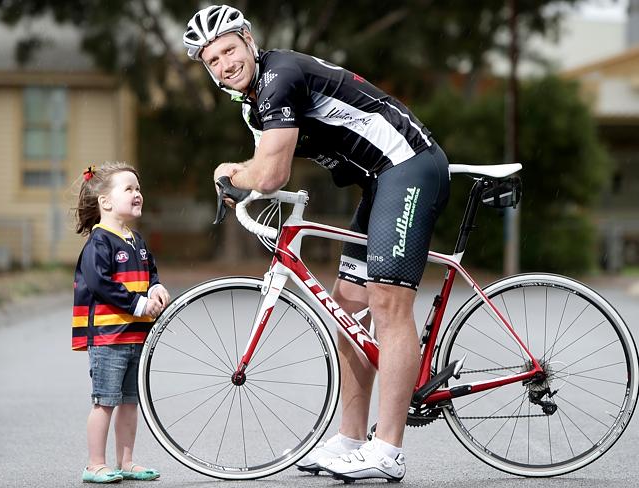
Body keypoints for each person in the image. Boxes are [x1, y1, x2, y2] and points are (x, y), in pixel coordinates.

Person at [183, 5, 450, 483]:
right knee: (350, 310)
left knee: (387, 306)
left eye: (228, 50)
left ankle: (387, 449)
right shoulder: (254, 101)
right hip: (380, 181)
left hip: (408, 166)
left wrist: (228, 172)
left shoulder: (278, 78)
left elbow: (269, 173)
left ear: (248, 39)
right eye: (212, 60)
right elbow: (269, 163)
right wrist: (251, 175)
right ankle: (349, 441)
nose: (224, 64)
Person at [72, 162, 170, 483]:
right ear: (106, 202)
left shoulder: (136, 240)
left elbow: (150, 272)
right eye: (128, 189)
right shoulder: (99, 242)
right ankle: (95, 463)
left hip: (136, 337)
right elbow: (100, 283)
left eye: (138, 188)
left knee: (130, 402)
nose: (137, 194)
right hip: (109, 337)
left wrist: (155, 287)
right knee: (105, 402)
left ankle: (126, 461)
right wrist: (138, 303)